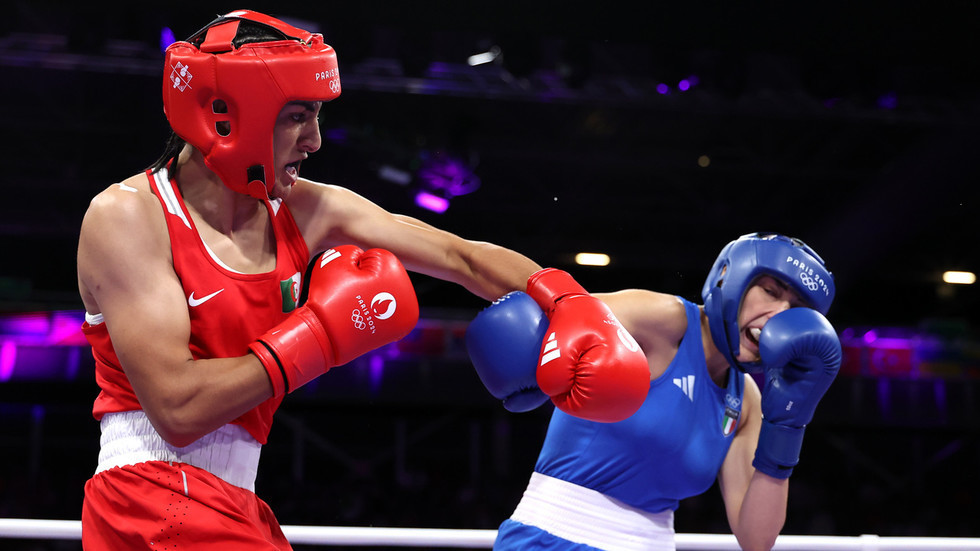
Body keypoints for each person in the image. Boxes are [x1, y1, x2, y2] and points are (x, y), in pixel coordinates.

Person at [76, 9, 648, 550]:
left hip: (236, 498)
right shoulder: (130, 217)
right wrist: (318, 336)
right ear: (229, 115)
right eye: (297, 116)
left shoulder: (306, 210)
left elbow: (461, 257)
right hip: (150, 498)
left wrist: (564, 296)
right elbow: (177, 411)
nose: (315, 141)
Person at [466, 232, 843, 551]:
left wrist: (789, 424)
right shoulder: (662, 320)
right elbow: (553, 302)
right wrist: (455, 256)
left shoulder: (747, 400)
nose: (780, 313)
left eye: (795, 307)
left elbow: (756, 538)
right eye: (771, 290)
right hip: (553, 537)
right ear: (732, 279)